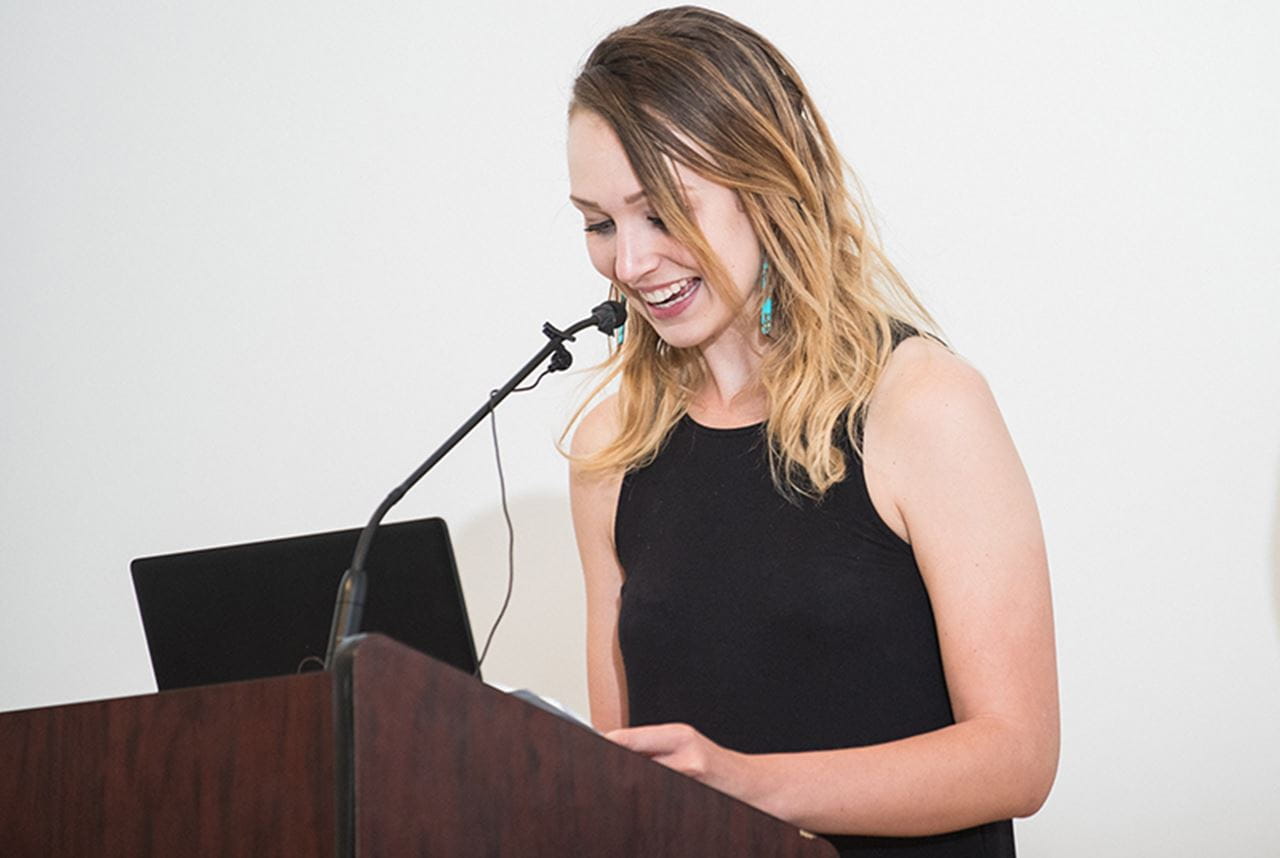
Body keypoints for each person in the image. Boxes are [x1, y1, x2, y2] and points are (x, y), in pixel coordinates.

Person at [564, 7, 1058, 856]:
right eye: (600, 224)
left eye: (664, 213)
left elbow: (1019, 757)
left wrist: (749, 785)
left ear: (766, 186)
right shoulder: (611, 447)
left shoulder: (923, 405)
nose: (631, 264)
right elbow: (628, 778)